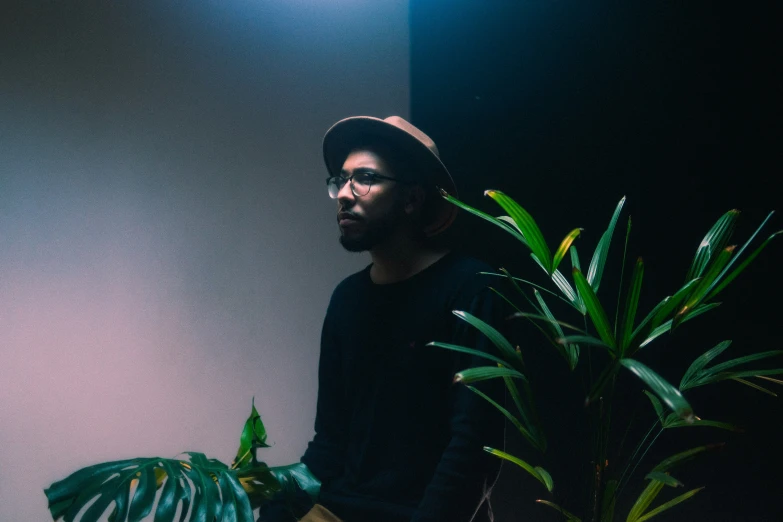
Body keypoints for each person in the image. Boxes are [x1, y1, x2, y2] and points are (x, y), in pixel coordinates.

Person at [259, 116, 505, 522]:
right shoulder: (346, 300)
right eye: (341, 179)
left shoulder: (472, 289)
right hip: (340, 508)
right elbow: (330, 441)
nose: (344, 194)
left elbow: (474, 443)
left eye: (366, 178)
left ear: (411, 199)